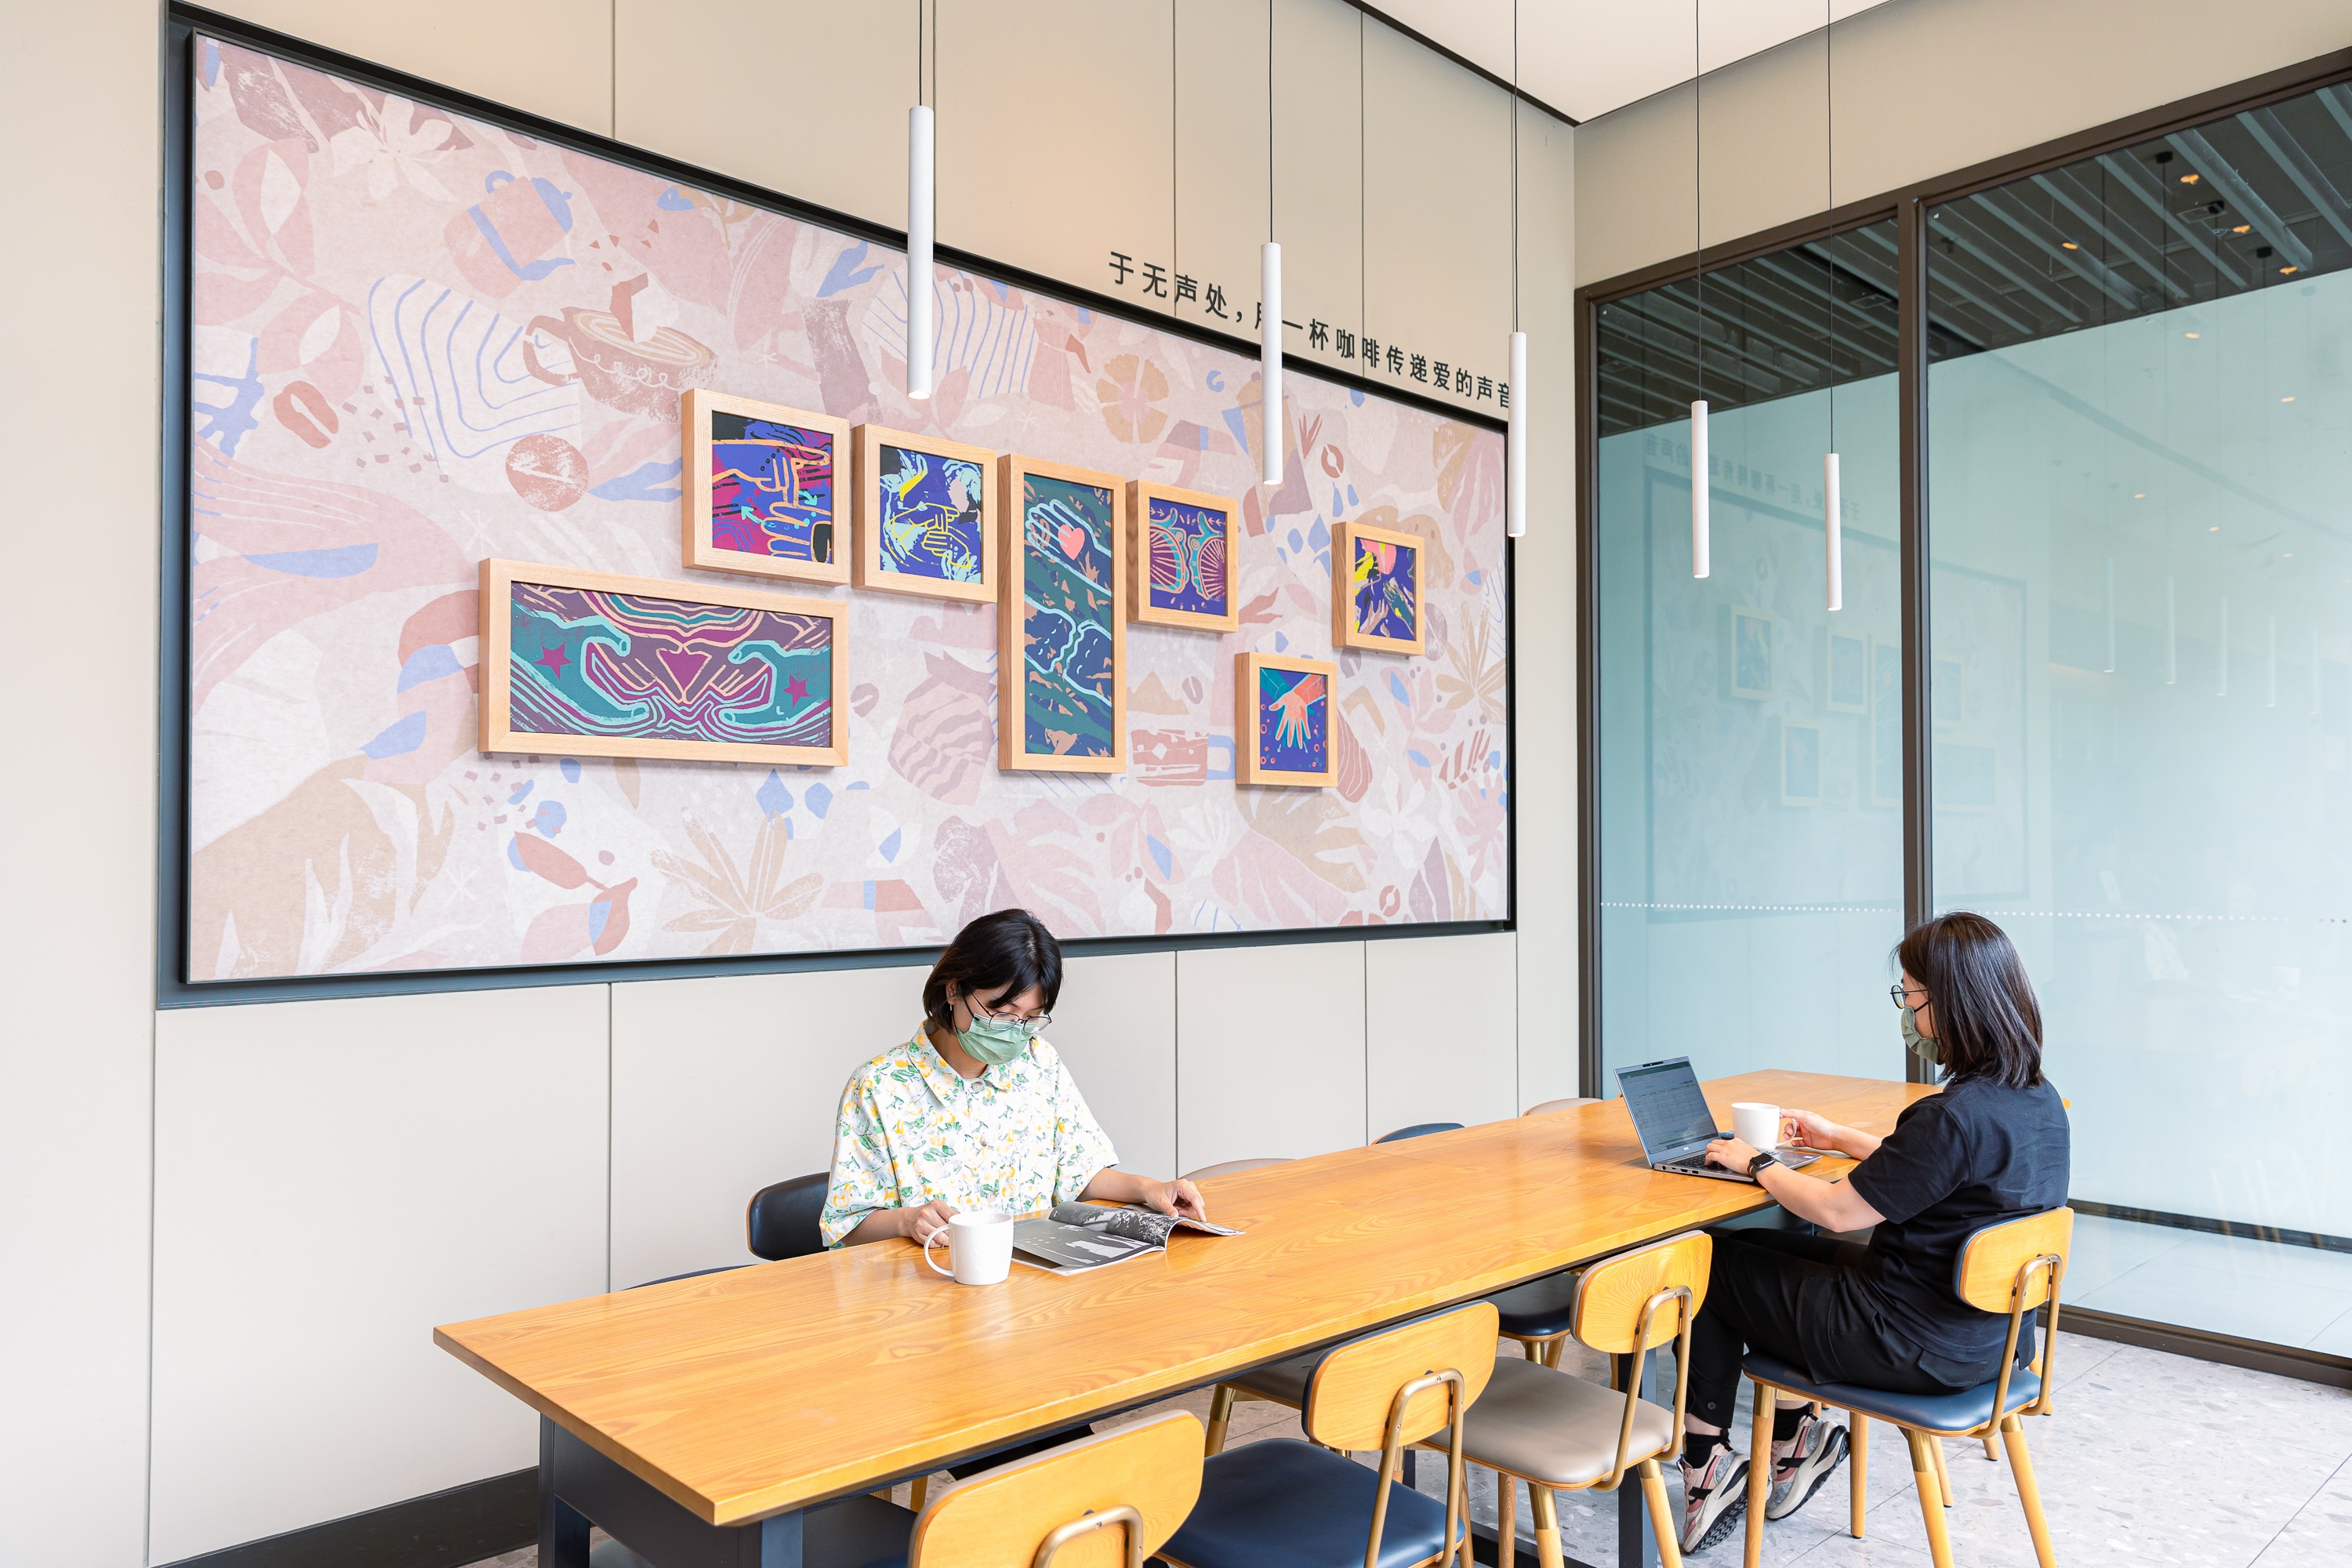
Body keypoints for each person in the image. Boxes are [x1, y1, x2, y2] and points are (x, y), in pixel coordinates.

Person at [1671, 912, 2071, 1555]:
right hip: (1991, 1343)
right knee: (1751, 1254)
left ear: (1952, 1002)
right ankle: (1795, 1442)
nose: (1907, 1012)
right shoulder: (2035, 1100)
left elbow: (1836, 1211)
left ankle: (1706, 1466)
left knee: (1706, 1267)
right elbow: (1936, 1171)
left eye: (1910, 996)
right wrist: (1837, 1138)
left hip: (1909, 1342)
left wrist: (1755, 1162)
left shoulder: (1952, 1116)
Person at [822, 906, 1206, 1249]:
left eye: (1030, 1018)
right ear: (954, 989)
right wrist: (907, 1221)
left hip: (1034, 1283)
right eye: (1001, 1012)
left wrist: (1150, 1188)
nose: (1014, 1031)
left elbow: (1079, 1171)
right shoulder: (878, 1086)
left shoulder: (1039, 1063)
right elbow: (847, 1226)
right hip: (930, 1288)